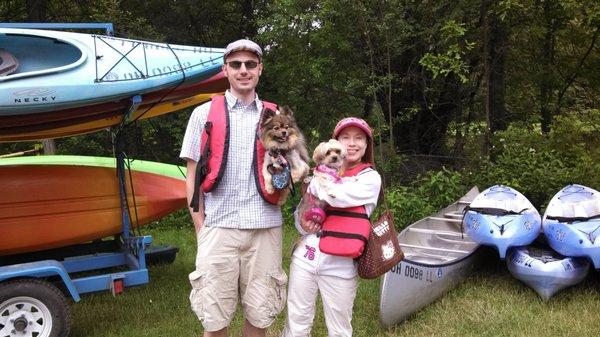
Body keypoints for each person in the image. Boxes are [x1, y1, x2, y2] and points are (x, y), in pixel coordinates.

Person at [180, 39, 287, 337]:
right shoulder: (202, 115)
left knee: (259, 316)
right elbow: (191, 176)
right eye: (236, 64)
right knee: (214, 321)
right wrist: (200, 228)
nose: (243, 70)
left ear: (260, 70)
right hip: (218, 228)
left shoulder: (275, 117)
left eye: (250, 65)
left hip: (264, 229)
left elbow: (291, 170)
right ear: (225, 70)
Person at [283, 117, 382, 337]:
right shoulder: (320, 173)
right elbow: (302, 212)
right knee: (296, 323)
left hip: (340, 263)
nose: (352, 143)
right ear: (333, 143)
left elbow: (336, 196)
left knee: (339, 330)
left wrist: (314, 180)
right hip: (306, 255)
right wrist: (303, 223)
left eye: (359, 138)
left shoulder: (370, 178)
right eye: (345, 137)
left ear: (367, 145)